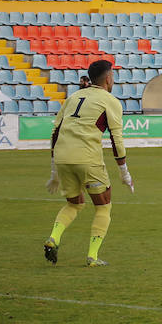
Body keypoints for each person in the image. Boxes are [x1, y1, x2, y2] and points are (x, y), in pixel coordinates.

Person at [43, 59, 134, 267]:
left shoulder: (73, 97)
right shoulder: (110, 100)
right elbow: (116, 138)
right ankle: (92, 256)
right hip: (88, 159)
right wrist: (124, 172)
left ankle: (53, 238)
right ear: (109, 78)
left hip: (63, 158)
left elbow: (55, 133)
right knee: (103, 207)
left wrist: (54, 171)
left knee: (74, 204)